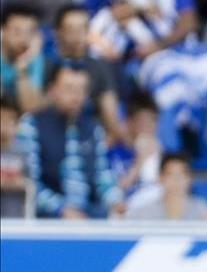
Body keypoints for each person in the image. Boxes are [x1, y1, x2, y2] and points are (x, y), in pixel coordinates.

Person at [17, 64, 125, 219]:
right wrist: (61, 209)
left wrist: (116, 201)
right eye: (69, 89)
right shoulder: (32, 124)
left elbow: (103, 176)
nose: (76, 96)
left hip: (90, 214)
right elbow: (29, 182)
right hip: (47, 219)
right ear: (52, 90)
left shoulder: (93, 128)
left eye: (81, 90)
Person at [52, 5, 123, 144]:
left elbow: (111, 120)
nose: (77, 36)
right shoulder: (48, 64)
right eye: (71, 30)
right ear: (58, 32)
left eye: (82, 29)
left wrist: (97, 148)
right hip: (51, 136)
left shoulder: (100, 67)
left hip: (87, 138)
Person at [126, 152, 207, 220]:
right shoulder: (144, 213)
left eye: (182, 175)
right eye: (171, 175)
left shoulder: (203, 210)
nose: (176, 181)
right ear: (160, 178)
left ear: (190, 179)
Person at [108, 91, 162, 207]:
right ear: (130, 122)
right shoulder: (115, 154)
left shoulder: (160, 151)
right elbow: (114, 191)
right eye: (143, 122)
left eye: (153, 121)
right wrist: (140, 162)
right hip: (127, 212)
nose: (149, 127)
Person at [0, 3, 45, 113]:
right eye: (17, 32)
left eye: (29, 32)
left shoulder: (35, 59)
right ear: (3, 31)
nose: (23, 39)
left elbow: (32, 108)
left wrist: (21, 68)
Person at [0, 96, 27, 217]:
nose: (3, 127)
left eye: (8, 121)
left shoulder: (24, 152)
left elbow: (31, 183)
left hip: (17, 220)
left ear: (17, 125)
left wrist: (20, 183)